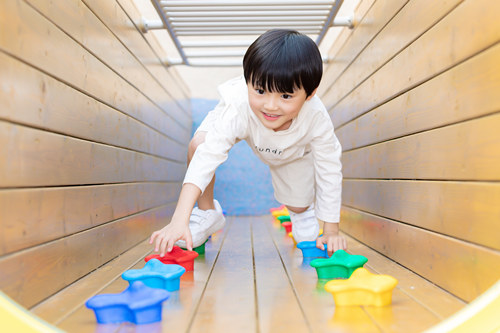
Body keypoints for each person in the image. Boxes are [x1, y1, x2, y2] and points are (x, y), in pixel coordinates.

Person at [150, 29, 346, 257]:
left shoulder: (316, 118)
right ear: (247, 83)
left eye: (285, 96)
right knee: (199, 145)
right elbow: (206, 157)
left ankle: (302, 212)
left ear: (310, 94)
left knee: (298, 206)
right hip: (241, 119)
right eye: (260, 90)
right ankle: (207, 213)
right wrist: (178, 220)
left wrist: (331, 230)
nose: (270, 106)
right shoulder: (239, 106)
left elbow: (329, 169)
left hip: (293, 153)